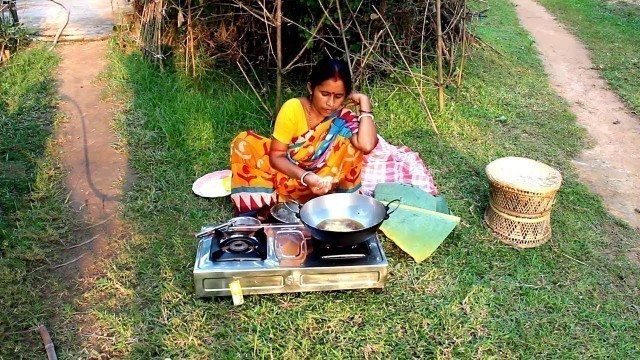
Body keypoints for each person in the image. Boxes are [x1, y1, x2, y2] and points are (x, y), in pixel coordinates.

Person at [230, 58, 378, 215]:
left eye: (338, 96)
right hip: (286, 172)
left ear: (347, 96)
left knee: (352, 147)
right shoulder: (293, 108)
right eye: (325, 94)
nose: (330, 103)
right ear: (311, 88)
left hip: (323, 182)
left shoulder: (342, 116)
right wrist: (307, 177)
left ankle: (340, 204)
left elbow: (367, 145)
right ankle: (269, 204)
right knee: (243, 143)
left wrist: (364, 102)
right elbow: (277, 156)